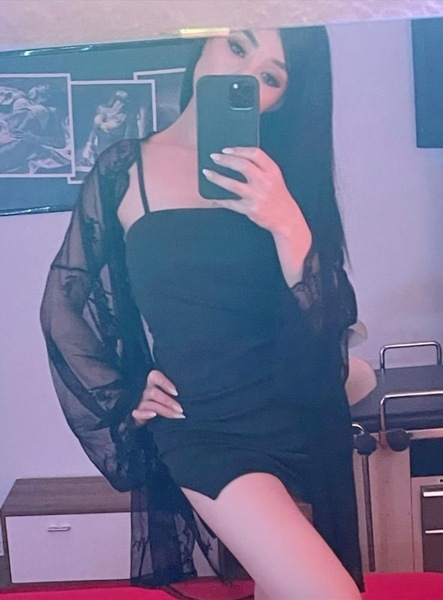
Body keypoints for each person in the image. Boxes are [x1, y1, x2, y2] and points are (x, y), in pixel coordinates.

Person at [41, 26, 363, 600]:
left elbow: (328, 316)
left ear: (281, 100)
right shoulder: (124, 170)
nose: (243, 76)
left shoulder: (282, 174)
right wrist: (127, 389)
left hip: (299, 411)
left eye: (270, 77)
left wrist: (286, 221)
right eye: (238, 47)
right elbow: (68, 301)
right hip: (207, 427)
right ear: (206, 42)